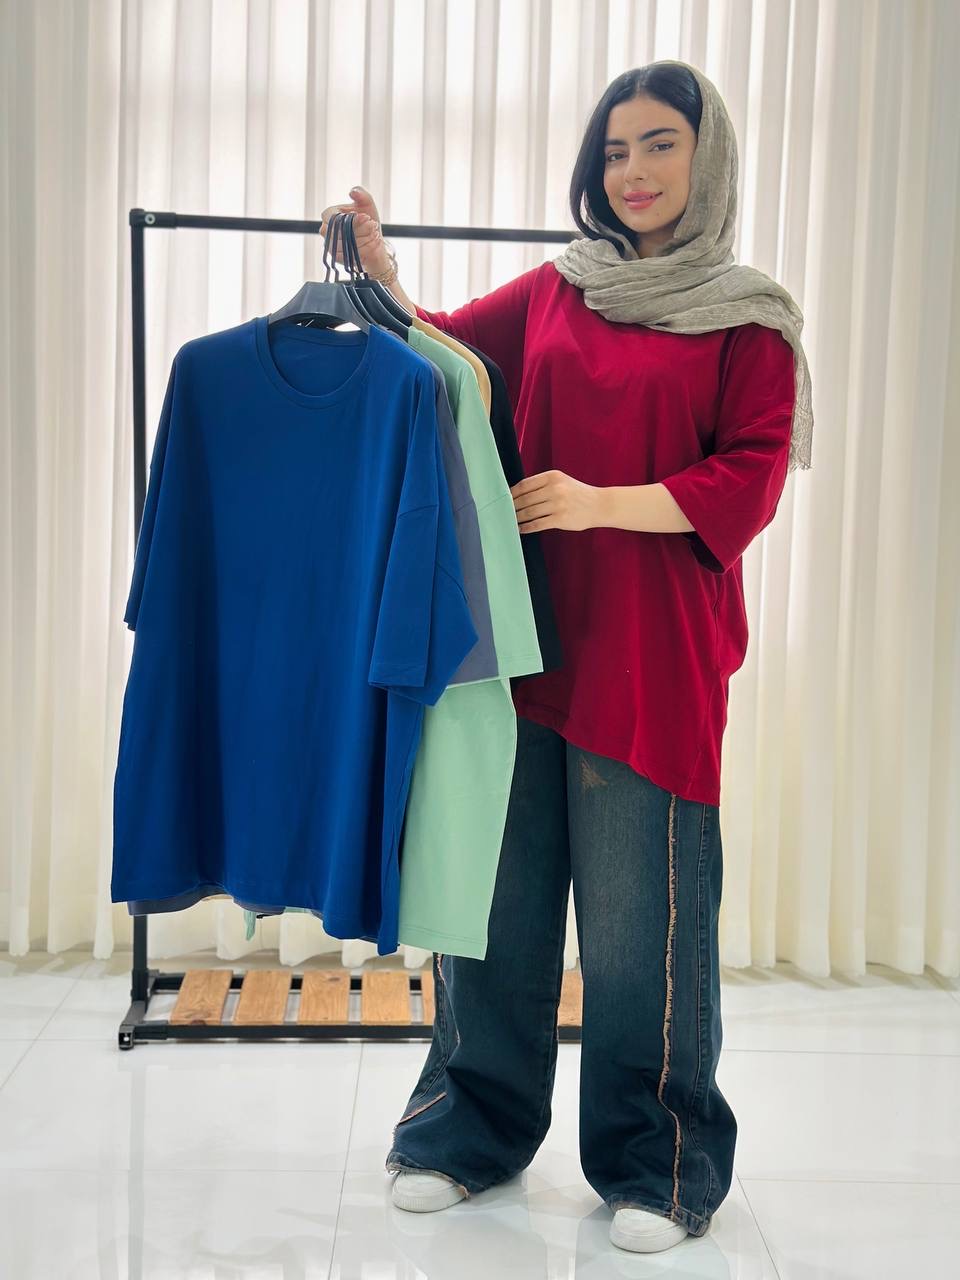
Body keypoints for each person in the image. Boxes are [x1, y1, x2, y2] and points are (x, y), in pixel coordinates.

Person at [320, 59, 812, 1256]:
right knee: (495, 906)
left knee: (646, 930)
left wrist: (599, 501)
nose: (633, 171)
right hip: (526, 641)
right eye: (615, 151)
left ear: (707, 157)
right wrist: (381, 273)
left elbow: (747, 478)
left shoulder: (749, 318)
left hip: (653, 658)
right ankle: (466, 1128)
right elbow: (450, 357)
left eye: (659, 145)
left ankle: (661, 1160)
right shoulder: (560, 289)